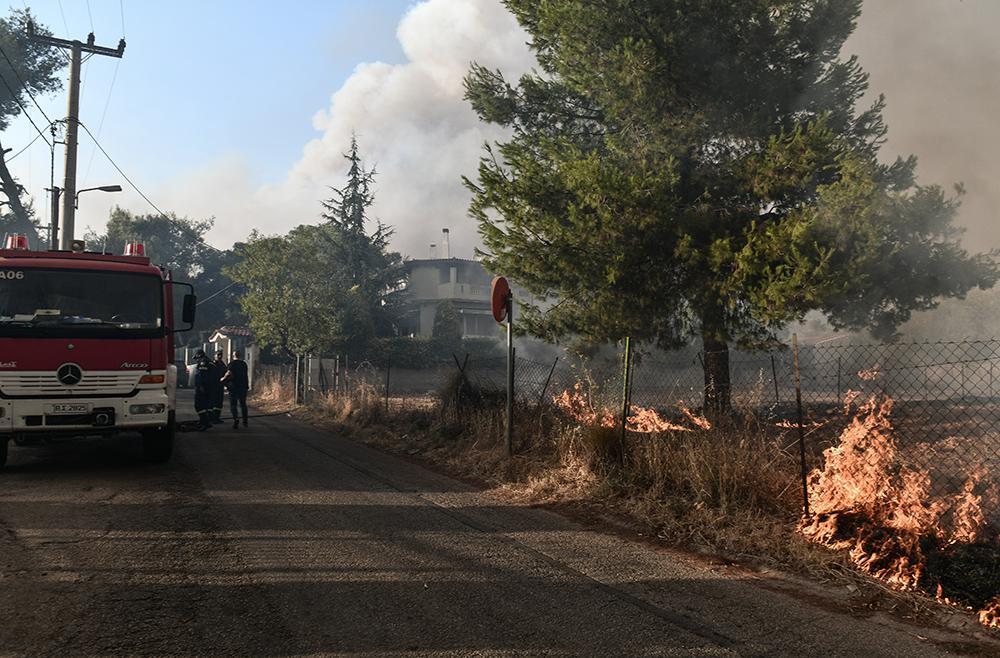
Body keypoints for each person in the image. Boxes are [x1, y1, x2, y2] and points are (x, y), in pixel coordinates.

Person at [221, 350, 249, 429]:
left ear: (233, 355)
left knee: (233, 404)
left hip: (234, 387)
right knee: (243, 404)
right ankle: (245, 421)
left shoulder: (232, 364)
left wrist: (222, 379)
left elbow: (229, 373)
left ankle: (236, 419)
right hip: (243, 386)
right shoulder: (244, 364)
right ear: (240, 355)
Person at [192, 349, 213, 430]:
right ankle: (203, 421)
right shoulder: (209, 361)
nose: (196, 361)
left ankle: (205, 422)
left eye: (196, 359)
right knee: (205, 405)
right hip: (209, 387)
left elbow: (201, 375)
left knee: (198, 405)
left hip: (202, 387)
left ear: (199, 356)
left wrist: (200, 386)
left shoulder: (203, 362)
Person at [209, 350, 228, 423]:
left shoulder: (222, 364)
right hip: (213, 386)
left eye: (221, 355)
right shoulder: (212, 364)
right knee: (212, 402)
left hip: (220, 386)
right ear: (215, 356)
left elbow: (226, 373)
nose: (220, 356)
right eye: (218, 355)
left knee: (219, 403)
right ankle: (211, 418)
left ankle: (216, 417)